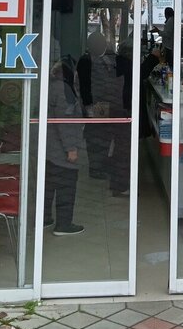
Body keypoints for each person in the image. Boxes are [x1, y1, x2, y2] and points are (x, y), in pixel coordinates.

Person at [76, 31, 125, 181]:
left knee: (103, 136)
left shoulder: (104, 58)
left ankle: (100, 165)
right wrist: (88, 106)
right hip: (95, 103)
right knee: (97, 137)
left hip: (104, 102)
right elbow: (84, 86)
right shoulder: (86, 61)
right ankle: (95, 168)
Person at [44, 61, 85, 235]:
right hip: (60, 149)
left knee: (48, 185)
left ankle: (44, 218)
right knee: (66, 185)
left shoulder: (50, 87)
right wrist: (71, 148)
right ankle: (63, 224)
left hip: (49, 147)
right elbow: (65, 121)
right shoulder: (64, 91)